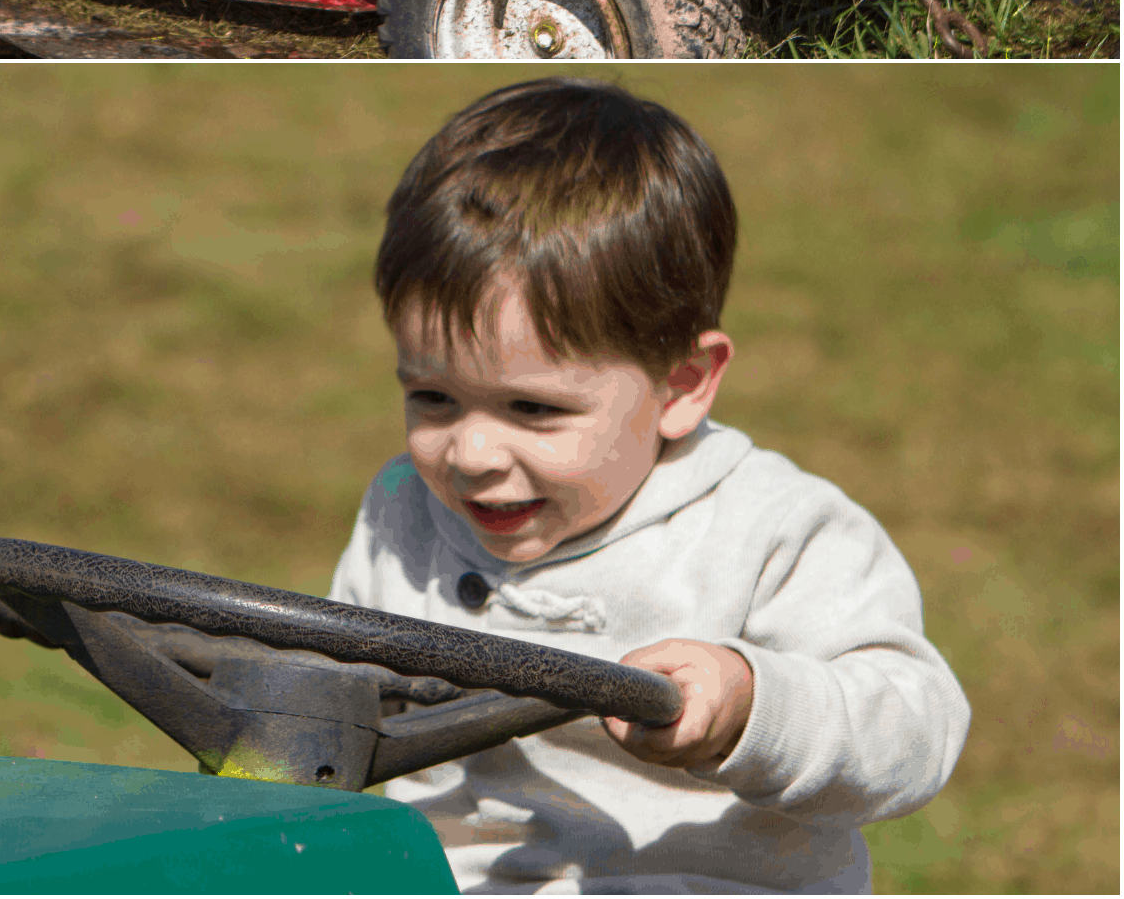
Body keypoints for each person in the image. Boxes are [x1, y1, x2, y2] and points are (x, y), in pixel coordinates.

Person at [334, 79, 968, 896]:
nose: (472, 453)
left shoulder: (772, 530)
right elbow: (336, 709)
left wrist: (751, 707)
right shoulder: (401, 515)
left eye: (533, 408)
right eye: (432, 398)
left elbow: (913, 731)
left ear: (680, 386)